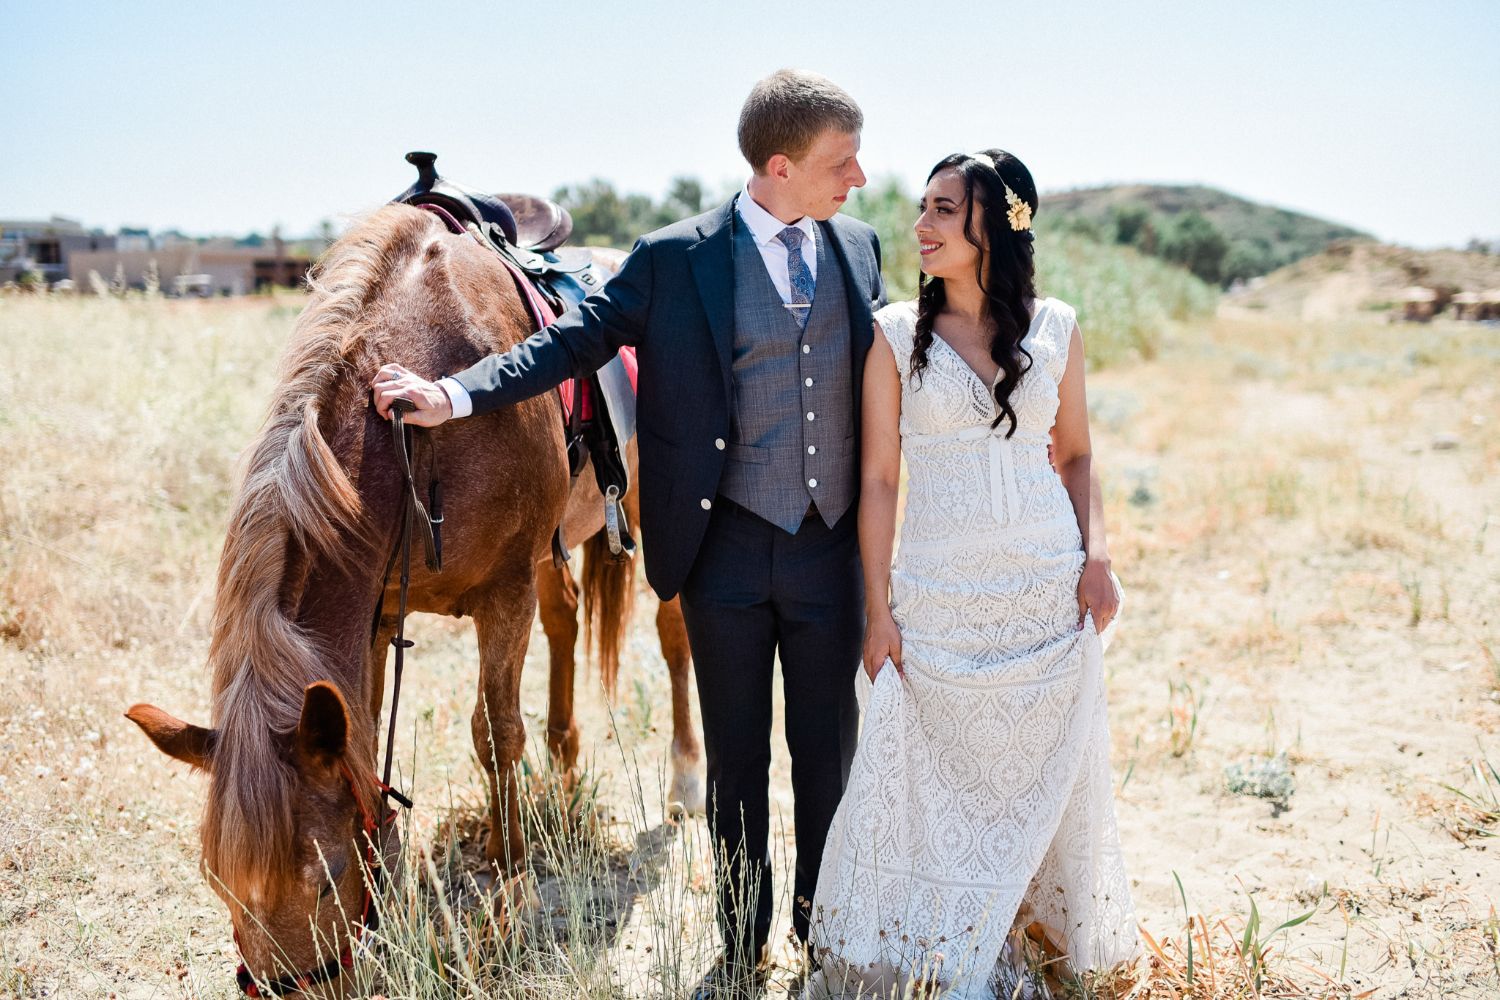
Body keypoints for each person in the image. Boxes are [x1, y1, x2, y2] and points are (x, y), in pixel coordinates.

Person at [371, 69, 886, 997]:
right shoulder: (675, 258)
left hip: (829, 550)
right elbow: (569, 344)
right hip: (720, 551)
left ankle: (825, 937)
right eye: (841, 161)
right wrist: (450, 395)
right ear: (779, 164)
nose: (858, 177)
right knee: (737, 763)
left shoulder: (858, 246)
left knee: (828, 756)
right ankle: (740, 947)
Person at [804, 150, 1139, 999]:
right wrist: (876, 610)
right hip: (939, 598)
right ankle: (941, 947)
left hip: (1043, 586)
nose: (921, 224)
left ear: (998, 222)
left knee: (1035, 773)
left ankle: (1027, 934)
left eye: (945, 209)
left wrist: (1096, 557)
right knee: (923, 773)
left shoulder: (1056, 324)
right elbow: (880, 479)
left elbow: (1077, 454)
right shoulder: (891, 334)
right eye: (922, 207)